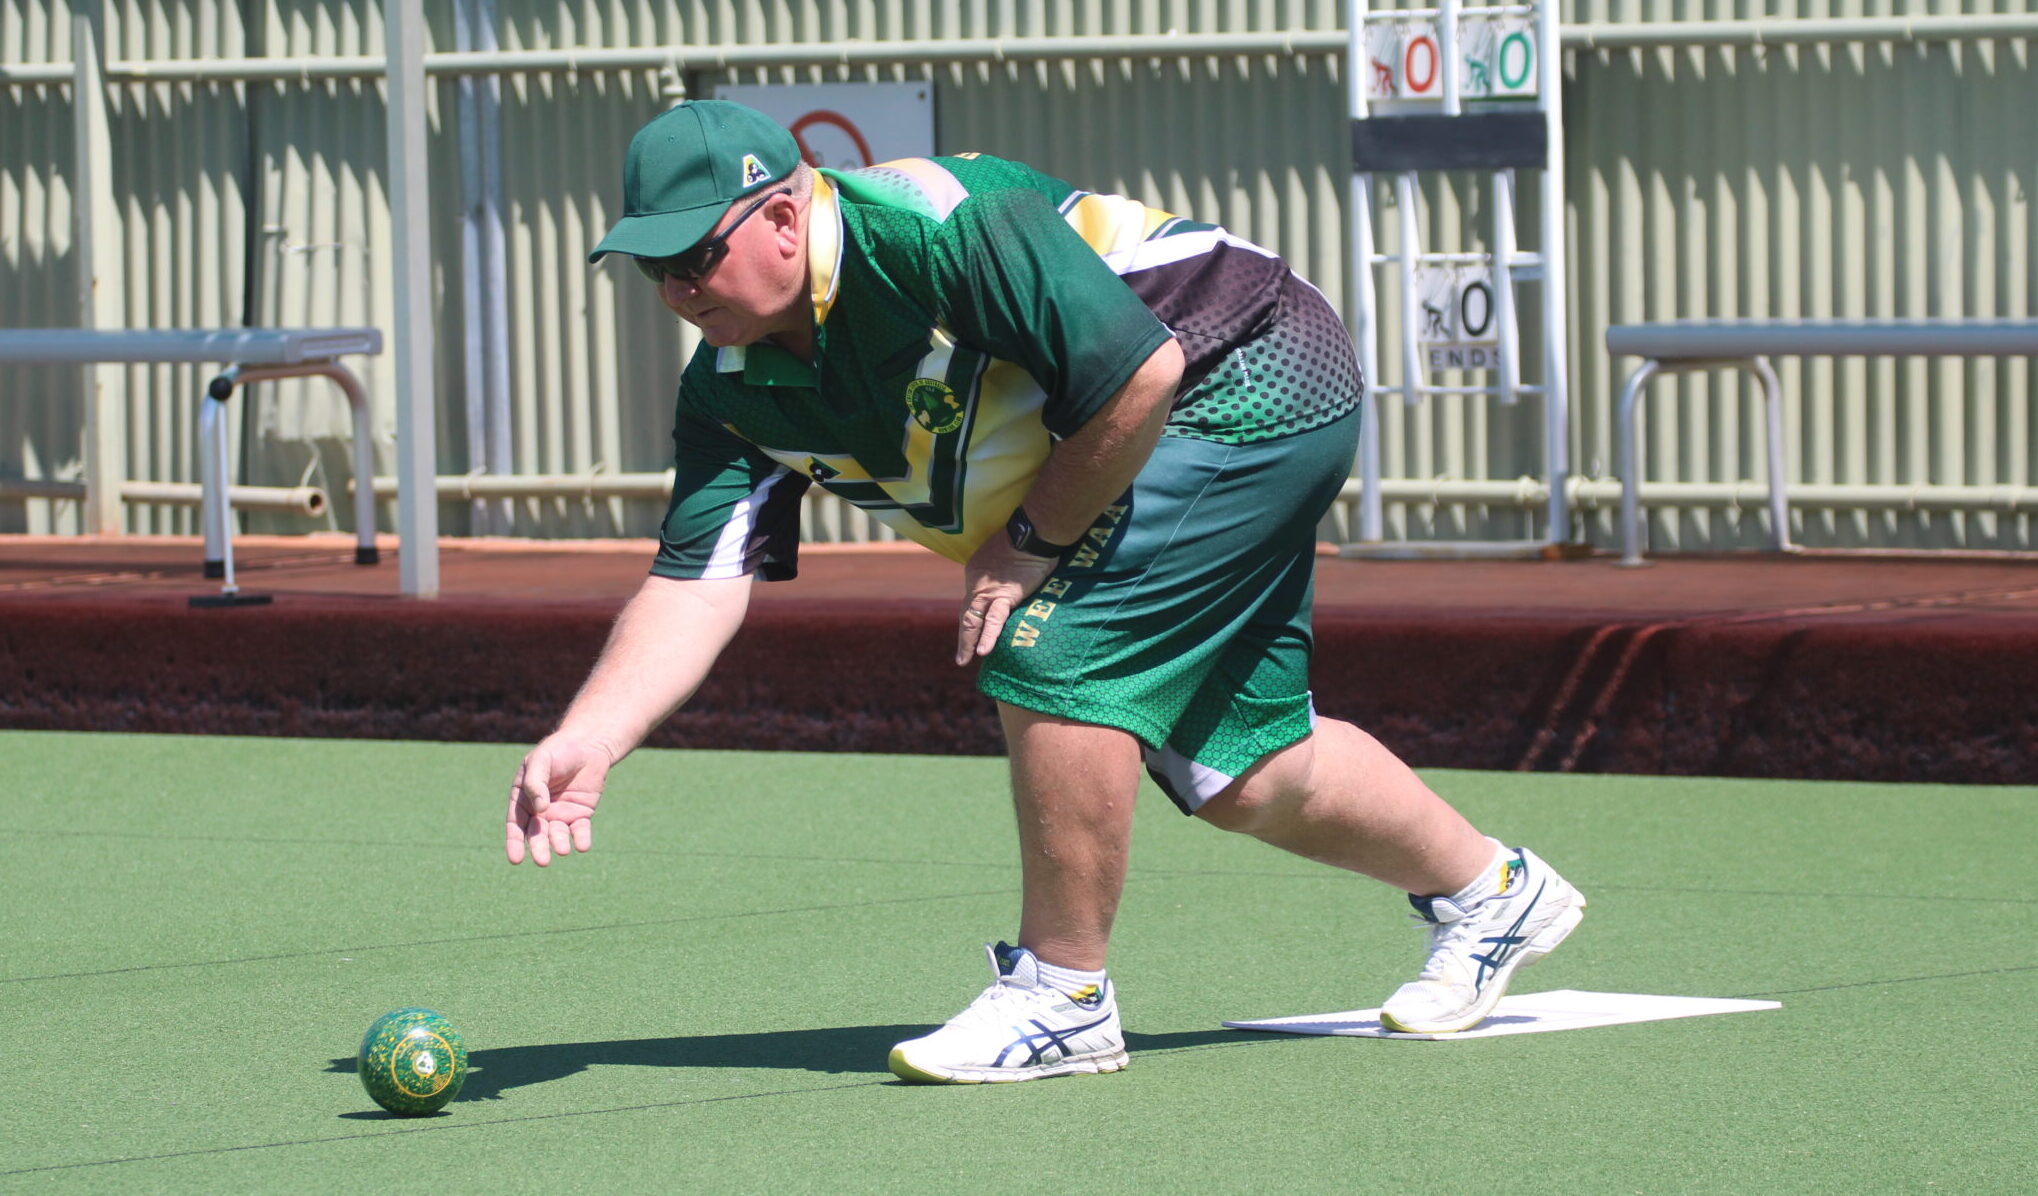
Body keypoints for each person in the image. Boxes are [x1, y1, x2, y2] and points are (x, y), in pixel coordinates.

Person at [503, 100, 1585, 1082]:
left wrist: (1029, 544)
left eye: (696, 258)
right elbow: (695, 582)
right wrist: (592, 734)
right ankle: (1492, 890)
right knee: (1240, 766)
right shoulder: (730, 389)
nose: (679, 293)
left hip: (1246, 372)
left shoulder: (941, 224)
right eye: (655, 270)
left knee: (1050, 647)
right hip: (1156, 425)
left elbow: (1139, 371)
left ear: (784, 216)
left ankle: (1063, 994)